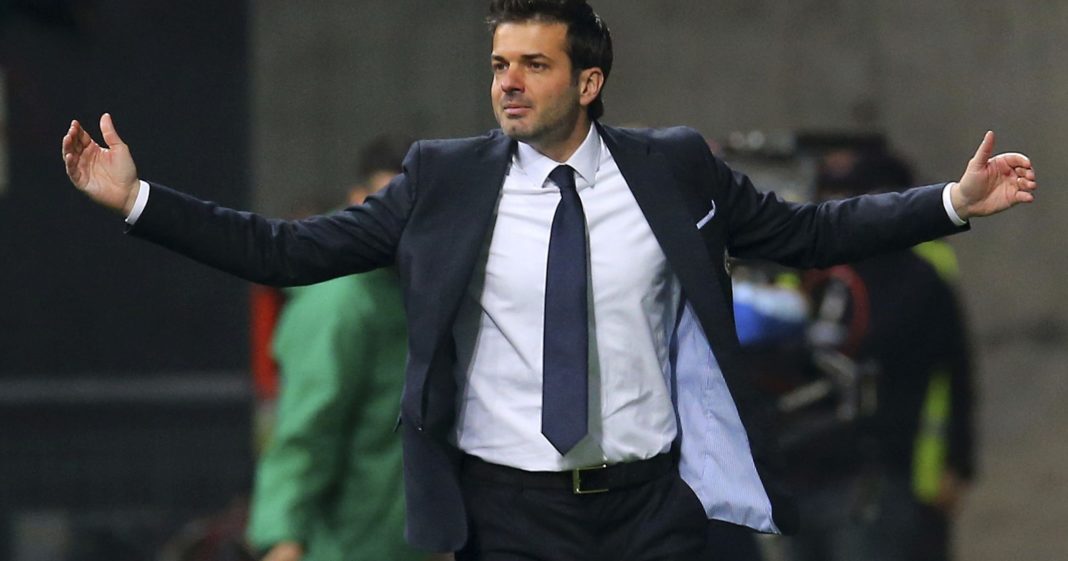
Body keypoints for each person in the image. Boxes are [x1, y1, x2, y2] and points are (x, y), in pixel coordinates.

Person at [61, 1, 1037, 559]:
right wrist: (138, 198)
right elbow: (284, 252)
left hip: (655, 506)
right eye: (499, 64)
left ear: (589, 81)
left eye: (533, 63)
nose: (509, 83)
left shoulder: (673, 168)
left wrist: (950, 202)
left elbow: (809, 232)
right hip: (509, 512)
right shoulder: (443, 180)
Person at [780, 150, 976, 561]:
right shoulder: (805, 270)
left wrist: (956, 462)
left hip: (874, 475)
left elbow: (956, 373)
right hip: (797, 474)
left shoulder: (916, 275)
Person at [244, 135, 431, 561]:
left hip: (400, 538)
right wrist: (282, 535)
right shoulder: (340, 301)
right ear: (358, 201)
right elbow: (307, 424)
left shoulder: (408, 285)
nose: (402, 219)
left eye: (414, 205)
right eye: (388, 202)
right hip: (344, 543)